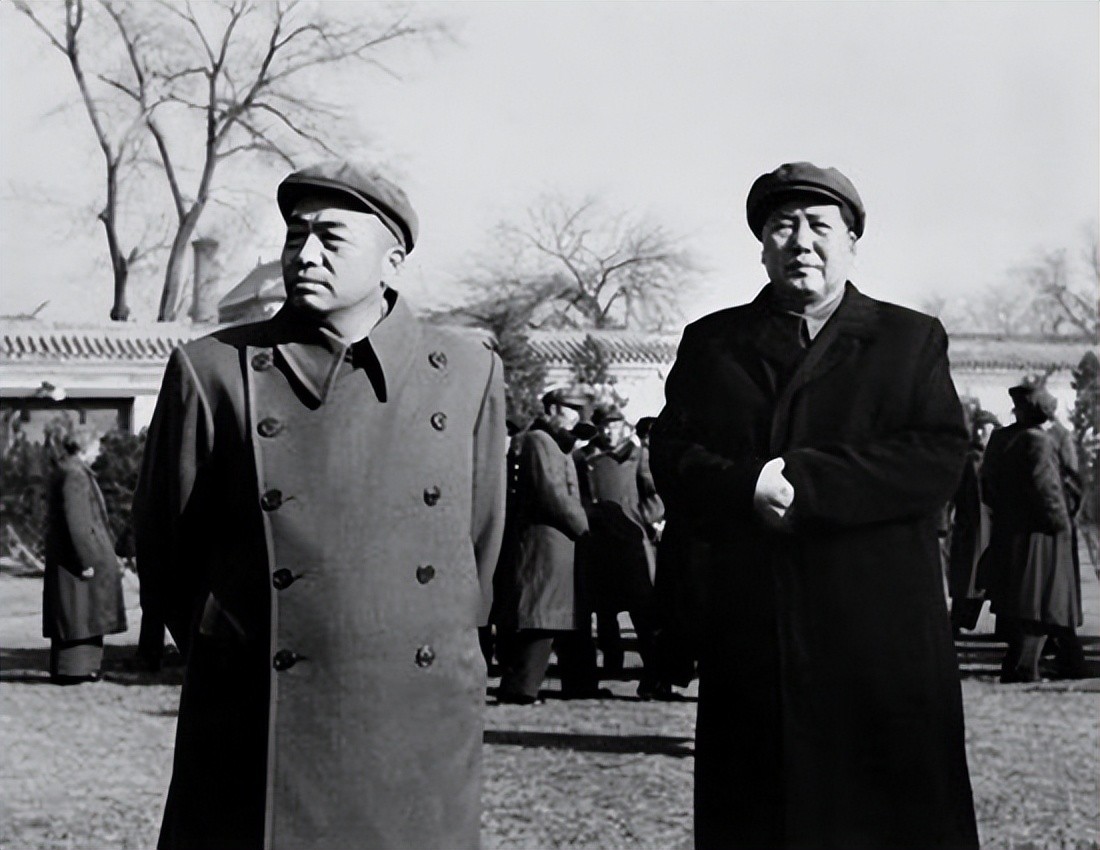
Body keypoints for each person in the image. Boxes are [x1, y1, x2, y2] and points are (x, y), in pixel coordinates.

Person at [133, 161, 507, 850]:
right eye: (295, 236)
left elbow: (477, 544)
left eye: (331, 238)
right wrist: (239, 643)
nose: (304, 255)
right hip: (261, 716)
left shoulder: (466, 372)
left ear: (392, 262)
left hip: (417, 715)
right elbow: (167, 548)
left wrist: (428, 629)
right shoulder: (212, 370)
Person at [650, 161, 979, 849]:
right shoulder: (713, 343)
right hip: (756, 629)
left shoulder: (908, 339)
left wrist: (804, 482)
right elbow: (674, 456)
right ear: (761, 246)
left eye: (819, 226)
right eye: (782, 226)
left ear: (852, 241)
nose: (801, 241)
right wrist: (746, 485)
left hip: (879, 633)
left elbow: (935, 457)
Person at [491, 388, 590, 703]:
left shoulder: (554, 443)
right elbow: (551, 493)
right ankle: (520, 688)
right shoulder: (539, 441)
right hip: (547, 540)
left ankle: (574, 684)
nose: (575, 416)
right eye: (570, 409)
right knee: (542, 617)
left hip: (560, 540)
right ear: (552, 410)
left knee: (560, 615)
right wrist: (584, 527)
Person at [981, 382, 1084, 681]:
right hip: (1042, 535)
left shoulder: (1002, 439)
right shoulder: (1039, 441)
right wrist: (1062, 524)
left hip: (1011, 530)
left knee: (1033, 601)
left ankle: (1064, 662)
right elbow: (1047, 490)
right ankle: (1024, 667)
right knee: (1042, 601)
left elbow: (988, 487)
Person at [572, 404, 664, 698]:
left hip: (632, 544)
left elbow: (655, 493)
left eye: (615, 425)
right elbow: (577, 495)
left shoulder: (638, 456)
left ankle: (653, 676)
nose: (610, 432)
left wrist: (642, 518)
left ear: (625, 427)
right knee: (604, 610)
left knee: (643, 613)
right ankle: (612, 664)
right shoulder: (583, 457)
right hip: (599, 544)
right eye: (604, 426)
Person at [42, 425, 128, 684]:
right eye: (97, 446)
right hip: (78, 561)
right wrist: (86, 560)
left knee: (80, 616)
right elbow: (77, 523)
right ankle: (76, 670)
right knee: (81, 615)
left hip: (73, 559)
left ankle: (80, 668)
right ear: (84, 447)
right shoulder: (75, 475)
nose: (99, 452)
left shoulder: (67, 471)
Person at [947, 407, 999, 632]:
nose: (980, 434)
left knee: (975, 578)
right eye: (979, 430)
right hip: (974, 526)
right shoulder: (970, 459)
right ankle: (960, 620)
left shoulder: (987, 458)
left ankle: (962, 620)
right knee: (970, 578)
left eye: (984, 430)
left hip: (983, 525)